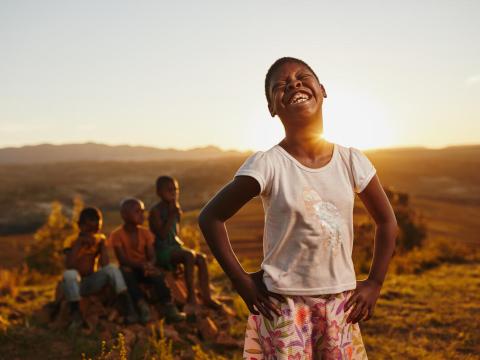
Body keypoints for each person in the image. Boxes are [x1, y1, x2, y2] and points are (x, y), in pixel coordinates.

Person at [198, 57, 398, 359]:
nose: (293, 83)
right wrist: (241, 281)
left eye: (303, 77)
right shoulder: (268, 164)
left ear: (322, 90)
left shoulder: (351, 161)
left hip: (339, 305)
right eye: (281, 85)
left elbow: (387, 222)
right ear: (271, 108)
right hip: (283, 306)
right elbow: (211, 217)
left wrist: (375, 282)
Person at [149, 176, 222, 314]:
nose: (173, 192)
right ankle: (191, 297)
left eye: (176, 189)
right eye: (169, 190)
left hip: (174, 247)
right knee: (188, 255)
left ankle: (207, 296)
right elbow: (162, 235)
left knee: (201, 258)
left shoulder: (175, 208)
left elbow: (174, 233)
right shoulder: (156, 211)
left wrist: (175, 211)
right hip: (161, 250)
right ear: (159, 192)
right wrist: (172, 214)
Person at [109, 198, 186, 324]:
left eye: (143, 211)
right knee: (125, 271)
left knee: (157, 274)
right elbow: (122, 260)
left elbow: (152, 255)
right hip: (131, 269)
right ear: (124, 215)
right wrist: (142, 265)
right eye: (137, 211)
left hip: (144, 268)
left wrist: (150, 264)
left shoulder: (146, 233)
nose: (142, 214)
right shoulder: (117, 235)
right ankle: (142, 306)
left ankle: (169, 306)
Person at [63, 207, 137, 330]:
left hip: (91, 282)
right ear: (80, 226)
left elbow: (105, 265)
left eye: (96, 229)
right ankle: (76, 314)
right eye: (89, 228)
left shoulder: (99, 239)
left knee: (112, 269)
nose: (92, 232)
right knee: (69, 274)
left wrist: (102, 246)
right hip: (75, 284)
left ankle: (128, 306)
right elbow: (69, 265)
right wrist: (79, 243)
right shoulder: (71, 240)